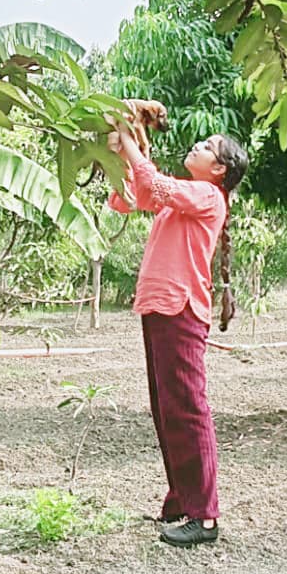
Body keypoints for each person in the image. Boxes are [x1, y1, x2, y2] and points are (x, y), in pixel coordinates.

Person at [108, 125, 249, 547]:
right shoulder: (184, 197)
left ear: (220, 170)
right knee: (167, 410)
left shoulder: (207, 197)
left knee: (187, 409)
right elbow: (126, 197)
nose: (197, 146)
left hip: (179, 309)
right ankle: (181, 502)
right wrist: (126, 146)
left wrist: (129, 139)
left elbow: (152, 181)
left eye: (207, 147)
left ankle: (205, 517)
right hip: (159, 307)